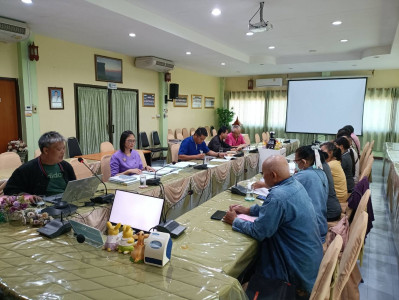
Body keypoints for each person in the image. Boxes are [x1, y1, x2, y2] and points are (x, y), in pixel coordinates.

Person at [224, 155, 323, 295]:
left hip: (295, 271)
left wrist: (235, 220)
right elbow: (273, 211)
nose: (263, 179)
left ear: (273, 175)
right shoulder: (295, 185)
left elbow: (259, 231)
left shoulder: (278, 196)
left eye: (264, 175)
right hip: (309, 261)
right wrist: (248, 210)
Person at [4, 131, 76, 196]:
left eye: (64, 148)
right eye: (59, 149)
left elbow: (74, 187)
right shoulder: (27, 169)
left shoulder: (66, 166)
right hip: (42, 205)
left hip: (65, 202)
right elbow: (9, 190)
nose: (63, 152)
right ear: (46, 151)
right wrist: (26, 196)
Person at [293, 146, 328, 243]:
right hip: (321, 225)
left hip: (311, 233)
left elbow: (283, 185)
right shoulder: (321, 172)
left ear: (304, 162)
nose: (295, 164)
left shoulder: (305, 175)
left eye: (296, 161)